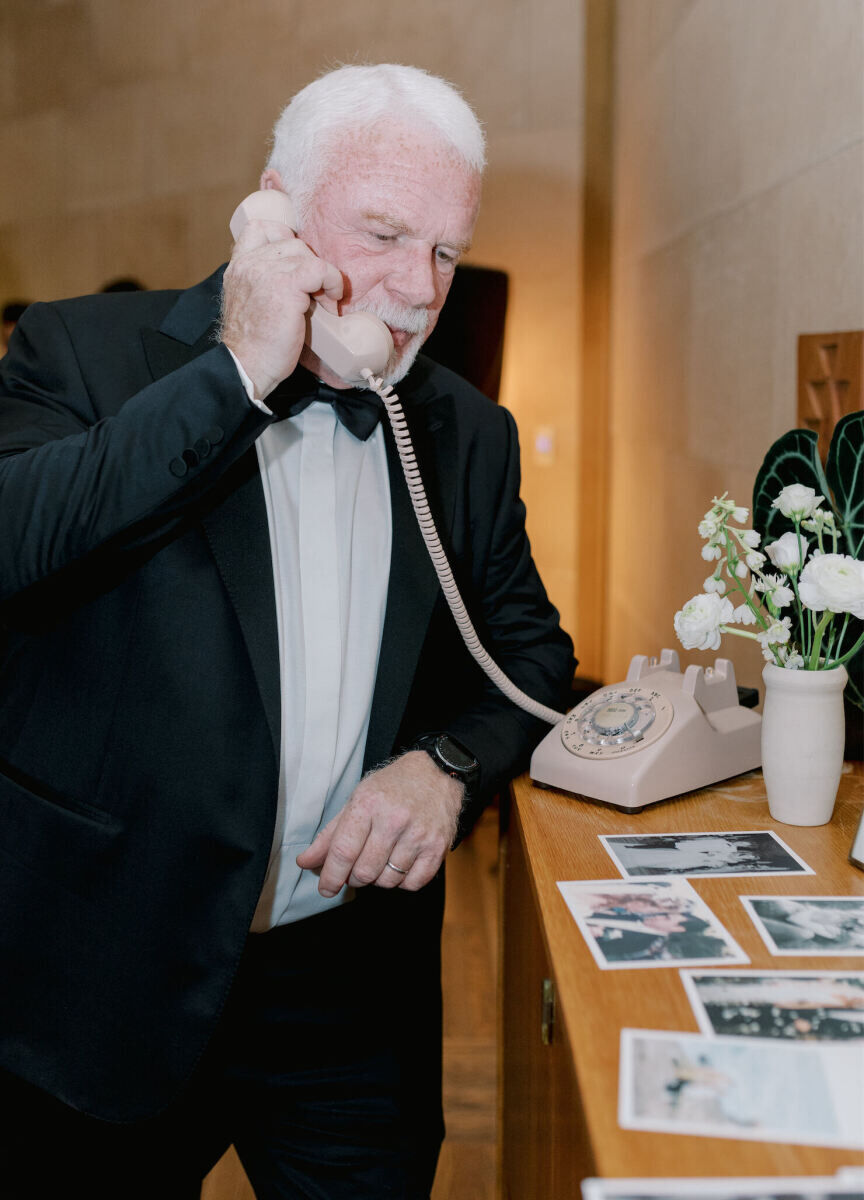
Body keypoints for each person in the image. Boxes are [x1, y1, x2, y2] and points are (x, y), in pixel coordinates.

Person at [0, 63, 574, 1199]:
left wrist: (447, 769)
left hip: (349, 994)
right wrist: (237, 376)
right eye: (384, 232)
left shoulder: (467, 431)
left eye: (447, 251)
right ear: (277, 207)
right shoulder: (76, 354)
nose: (416, 290)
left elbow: (532, 659)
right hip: (105, 973)